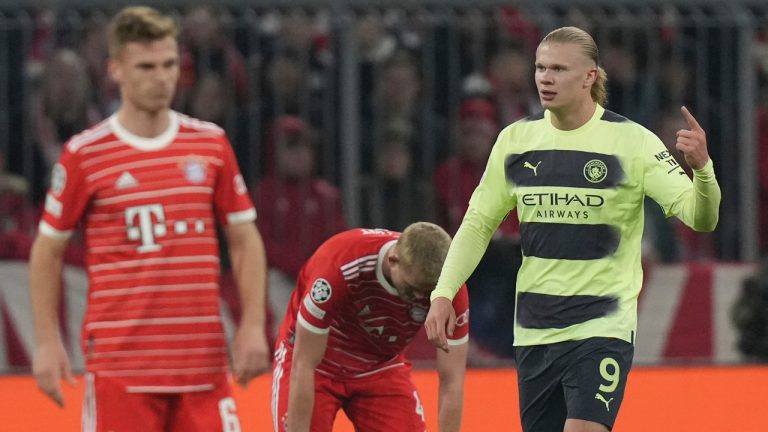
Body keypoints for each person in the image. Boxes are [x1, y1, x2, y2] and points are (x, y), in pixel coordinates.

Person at [424, 26, 721, 432]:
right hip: (534, 330)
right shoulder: (515, 141)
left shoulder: (633, 142)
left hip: (602, 327)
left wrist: (702, 170)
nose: (545, 77)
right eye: (540, 67)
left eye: (559, 69)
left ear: (590, 77)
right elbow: (477, 226)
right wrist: (443, 292)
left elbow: (700, 217)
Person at [28, 7, 271, 431]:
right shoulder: (85, 154)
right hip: (121, 372)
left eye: (169, 64)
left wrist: (252, 325)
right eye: (146, 66)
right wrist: (47, 344)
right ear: (115, 70)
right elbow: (47, 252)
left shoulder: (210, 144)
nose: (161, 77)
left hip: (203, 368)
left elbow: (244, 238)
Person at [272, 222, 469, 432]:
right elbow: (304, 364)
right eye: (413, 289)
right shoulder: (337, 266)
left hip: (381, 367)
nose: (421, 298)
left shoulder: (450, 289)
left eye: (429, 291)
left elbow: (452, 380)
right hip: (318, 365)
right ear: (393, 260)